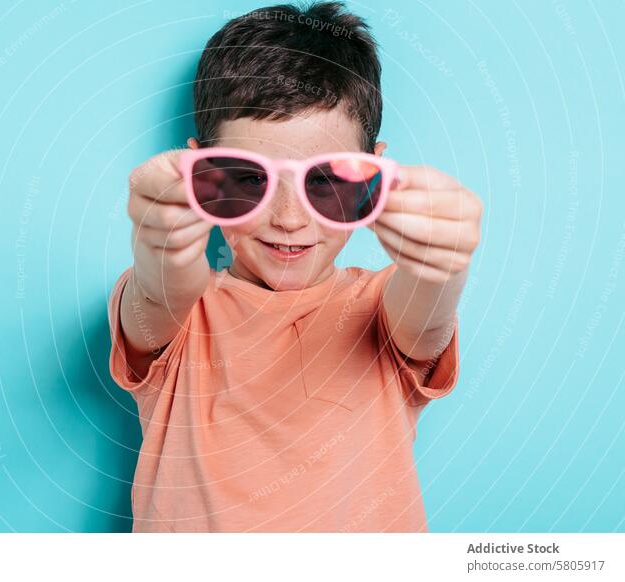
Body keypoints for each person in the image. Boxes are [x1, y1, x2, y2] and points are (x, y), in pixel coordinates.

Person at [108, 1, 482, 532]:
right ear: (199, 171)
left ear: (372, 174)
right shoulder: (181, 316)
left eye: (324, 180)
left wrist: (439, 266)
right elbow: (161, 293)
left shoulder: (382, 309)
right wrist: (163, 247)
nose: (288, 219)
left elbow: (425, 310)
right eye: (250, 178)